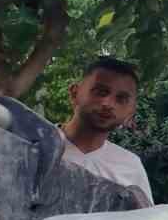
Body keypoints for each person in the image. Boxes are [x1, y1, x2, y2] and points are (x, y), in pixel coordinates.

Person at [60, 56, 152, 205]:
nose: (108, 104)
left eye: (121, 99)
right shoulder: (37, 145)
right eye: (100, 92)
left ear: (131, 110)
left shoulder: (130, 166)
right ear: (74, 93)